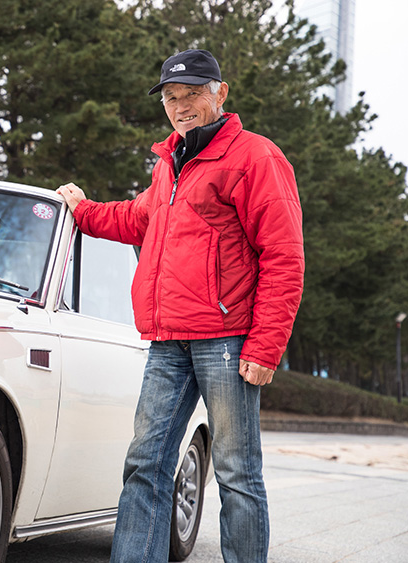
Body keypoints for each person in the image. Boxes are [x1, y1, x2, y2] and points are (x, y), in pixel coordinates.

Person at [57, 49, 304, 563]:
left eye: (192, 94)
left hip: (227, 341)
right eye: (171, 97)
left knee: (236, 471)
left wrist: (265, 345)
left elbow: (283, 255)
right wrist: (83, 211)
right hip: (168, 340)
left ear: (221, 93)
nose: (181, 106)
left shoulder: (257, 157)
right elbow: (136, 219)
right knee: (145, 462)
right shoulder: (169, 162)